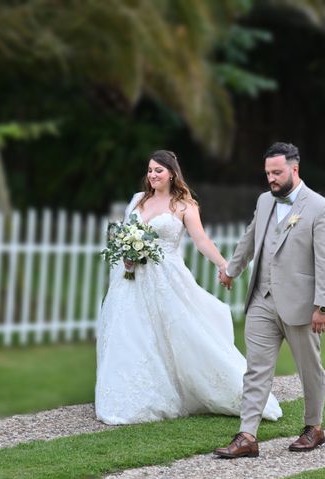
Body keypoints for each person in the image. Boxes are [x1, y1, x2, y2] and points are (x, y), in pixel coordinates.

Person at [95, 150, 282, 425]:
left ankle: (228, 389)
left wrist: (224, 265)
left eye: (158, 170)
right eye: (149, 170)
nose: (153, 175)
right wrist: (127, 252)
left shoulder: (184, 205)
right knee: (132, 332)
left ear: (171, 173)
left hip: (166, 277)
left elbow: (201, 240)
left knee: (183, 331)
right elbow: (125, 234)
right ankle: (134, 394)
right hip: (132, 280)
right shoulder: (138, 201)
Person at [214, 142, 325, 458]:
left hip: (302, 305)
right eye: (268, 172)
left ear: (294, 169)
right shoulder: (264, 201)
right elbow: (250, 238)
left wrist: (323, 306)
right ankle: (247, 436)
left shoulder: (321, 208)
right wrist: (232, 269)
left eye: (277, 172)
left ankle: (314, 427)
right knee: (255, 369)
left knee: (309, 369)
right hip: (262, 298)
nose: (271, 178)